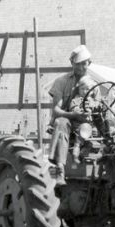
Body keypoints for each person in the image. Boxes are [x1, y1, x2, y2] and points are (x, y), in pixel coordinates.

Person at [47, 44, 99, 186]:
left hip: (85, 125)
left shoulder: (93, 85)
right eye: (78, 64)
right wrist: (74, 114)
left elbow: (99, 108)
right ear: (72, 63)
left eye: (85, 64)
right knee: (61, 122)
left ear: (89, 63)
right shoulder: (61, 82)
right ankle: (60, 170)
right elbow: (56, 111)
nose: (82, 68)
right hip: (66, 122)